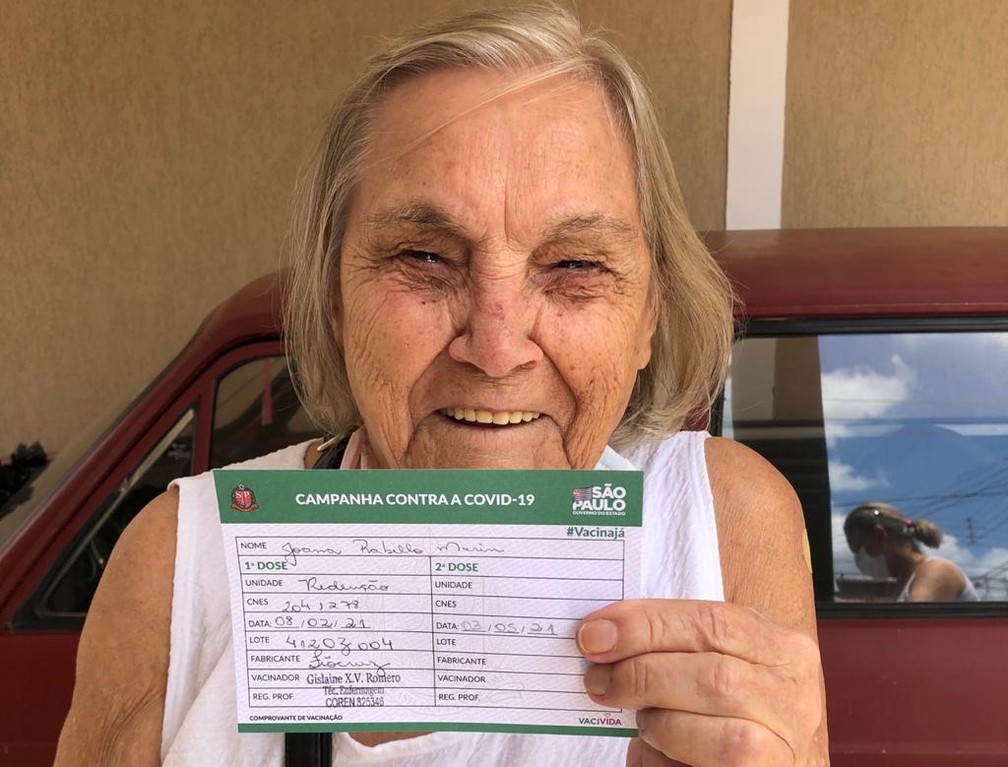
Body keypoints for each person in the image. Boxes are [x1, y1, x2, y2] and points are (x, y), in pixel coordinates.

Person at [55, 5, 828, 766]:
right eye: (423, 257)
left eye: (575, 265)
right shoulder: (179, 562)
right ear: (334, 298)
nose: (495, 349)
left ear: (648, 313)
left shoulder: (725, 524)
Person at [843, 502, 979, 602]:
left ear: (879, 535)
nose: (859, 561)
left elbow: (910, 628)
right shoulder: (908, 583)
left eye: (860, 550)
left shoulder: (936, 570)